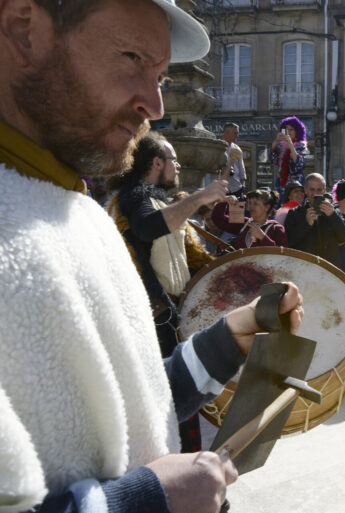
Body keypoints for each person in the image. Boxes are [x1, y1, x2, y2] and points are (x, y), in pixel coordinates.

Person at [0, 2, 307, 513]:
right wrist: (145, 500)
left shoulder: (82, 212)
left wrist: (229, 339)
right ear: (22, 29)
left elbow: (124, 408)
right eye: (131, 58)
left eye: (162, 75)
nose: (156, 105)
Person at [108, 132, 223, 452]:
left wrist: (234, 270)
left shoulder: (163, 201)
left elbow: (193, 258)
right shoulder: (133, 196)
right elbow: (146, 227)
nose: (178, 166)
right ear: (156, 162)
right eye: (173, 160)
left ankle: (185, 476)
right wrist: (198, 198)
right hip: (150, 317)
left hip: (171, 315)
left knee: (180, 402)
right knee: (162, 406)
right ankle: (168, 479)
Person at [284, 173, 345, 268]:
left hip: (329, 268)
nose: (315, 193)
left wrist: (332, 216)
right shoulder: (295, 212)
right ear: (306, 190)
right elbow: (288, 242)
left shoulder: (333, 211)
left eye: (319, 190)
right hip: (304, 267)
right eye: (312, 189)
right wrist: (306, 224)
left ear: (324, 191)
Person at [210, 190, 288, 249]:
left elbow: (283, 254)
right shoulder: (244, 223)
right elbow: (218, 219)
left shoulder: (277, 228)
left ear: (267, 207)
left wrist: (263, 237)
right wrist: (224, 201)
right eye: (249, 203)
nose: (251, 206)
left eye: (255, 203)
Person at [270, 116, 307, 198]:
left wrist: (290, 143)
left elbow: (298, 163)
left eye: (291, 129)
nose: (288, 131)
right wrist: (276, 141)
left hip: (296, 183)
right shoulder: (280, 145)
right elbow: (273, 161)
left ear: (297, 131)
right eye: (286, 129)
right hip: (281, 183)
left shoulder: (301, 145)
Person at [221, 122, 246, 199]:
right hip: (221, 189)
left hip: (236, 188)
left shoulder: (237, 148)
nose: (237, 136)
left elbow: (242, 168)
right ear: (226, 133)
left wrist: (243, 186)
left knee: (236, 211)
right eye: (235, 133)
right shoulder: (218, 147)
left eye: (237, 133)